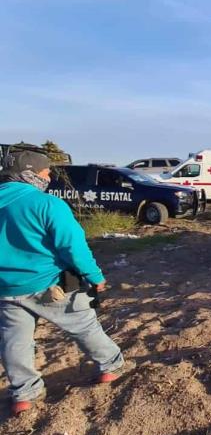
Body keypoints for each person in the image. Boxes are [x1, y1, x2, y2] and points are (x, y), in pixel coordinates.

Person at [0, 151, 129, 416]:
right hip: (49, 283)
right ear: (30, 174)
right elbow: (72, 246)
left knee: (15, 340)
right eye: (46, 173)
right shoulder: (47, 204)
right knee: (83, 325)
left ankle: (25, 394)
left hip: (6, 288)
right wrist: (95, 277)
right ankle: (111, 366)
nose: (49, 178)